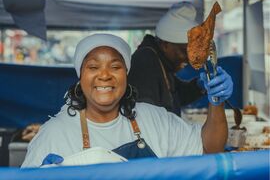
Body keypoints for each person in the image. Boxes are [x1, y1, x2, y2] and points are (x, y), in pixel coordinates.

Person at [22, 33, 230, 168]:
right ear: (80, 76)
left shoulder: (155, 119)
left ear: (126, 74)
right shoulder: (54, 134)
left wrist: (216, 101)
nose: (104, 75)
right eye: (93, 67)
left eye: (115, 66)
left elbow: (210, 149)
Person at [128, 2, 233, 116]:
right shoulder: (145, 63)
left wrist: (200, 85)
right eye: (184, 51)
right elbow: (146, 118)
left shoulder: (160, 61)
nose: (189, 59)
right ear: (165, 44)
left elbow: (177, 95)